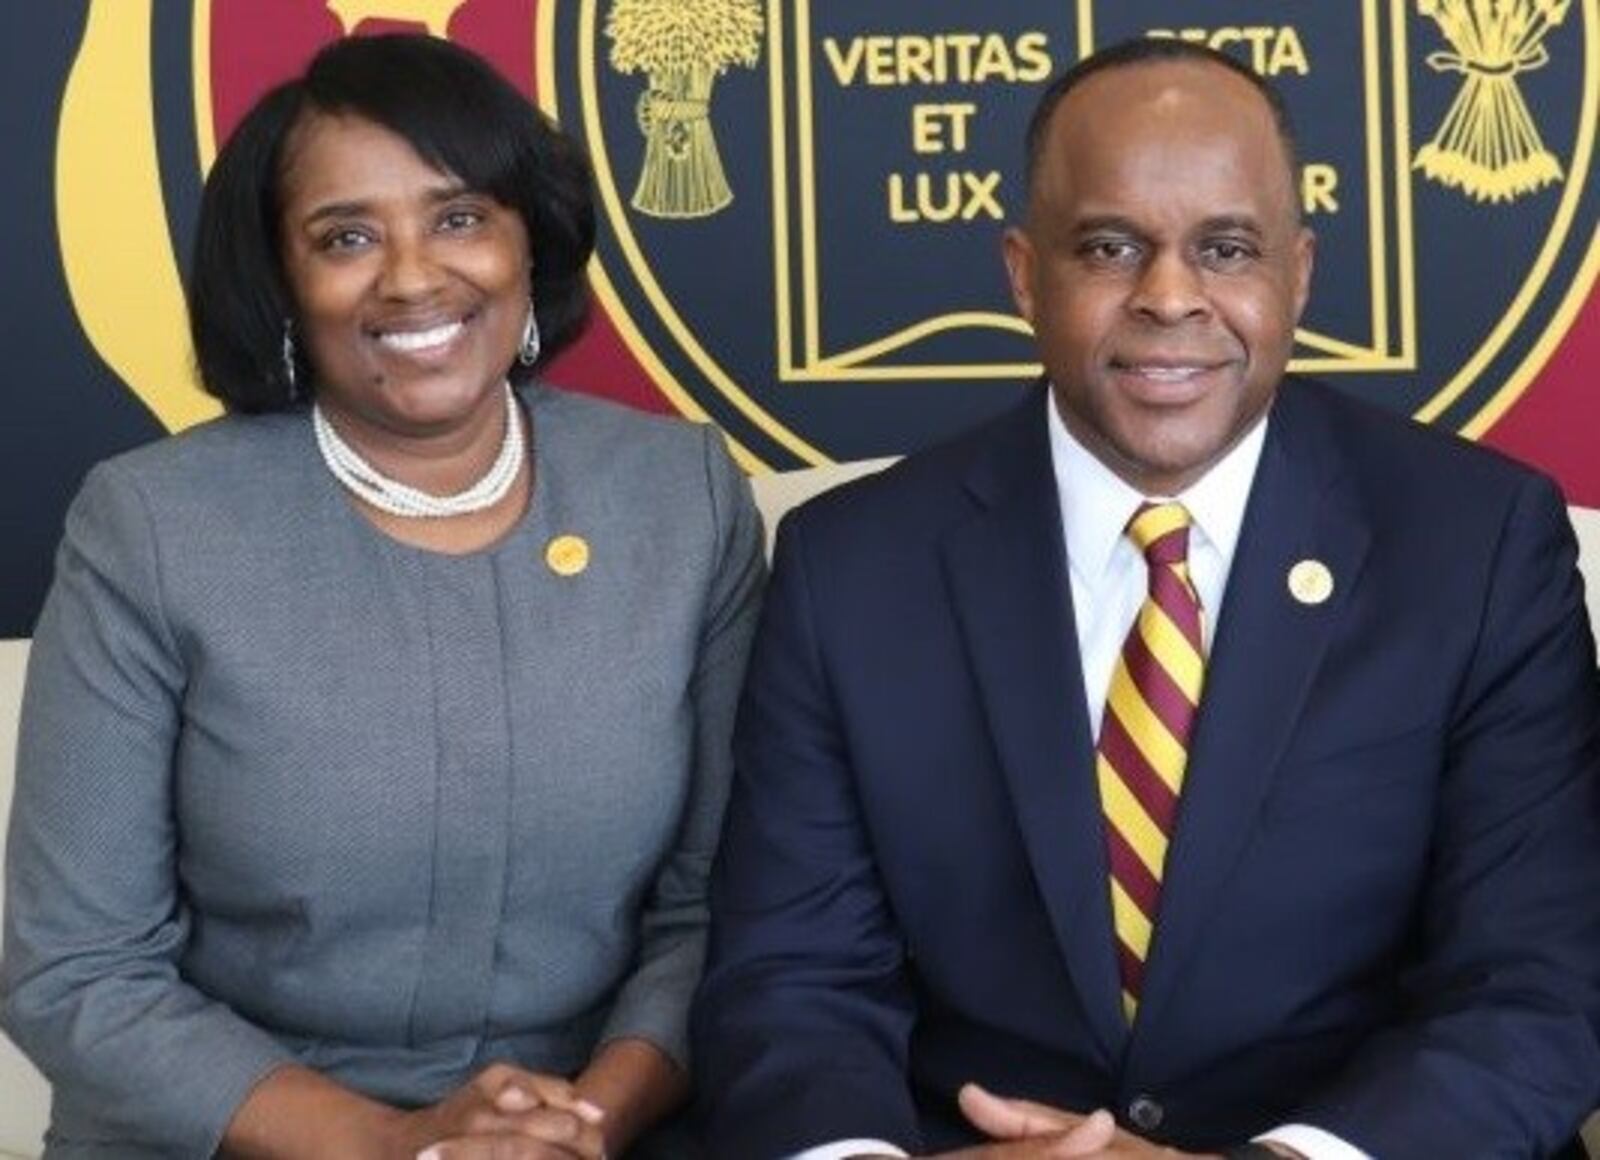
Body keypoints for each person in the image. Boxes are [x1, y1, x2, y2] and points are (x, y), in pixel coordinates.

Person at [691, 38, 1600, 1160]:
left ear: (1298, 274)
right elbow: (792, 981)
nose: (1170, 298)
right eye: (1110, 247)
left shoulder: (1475, 543)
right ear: (1026, 275)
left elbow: (1532, 986)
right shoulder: (849, 564)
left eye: (1225, 248)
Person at [2, 33, 762, 1160]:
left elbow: (720, 903)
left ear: (527, 241)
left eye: (458, 217)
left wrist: (581, 1122)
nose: (411, 276)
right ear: (280, 277)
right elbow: (77, 964)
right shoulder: (153, 526)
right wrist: (401, 1143)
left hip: (607, 1126)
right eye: (346, 236)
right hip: (244, 1135)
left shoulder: (681, 497)